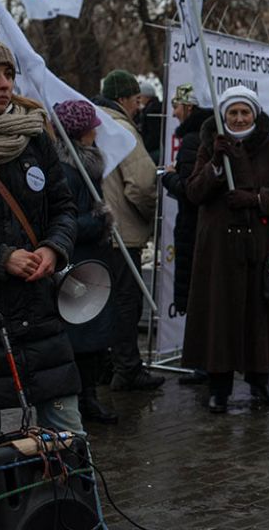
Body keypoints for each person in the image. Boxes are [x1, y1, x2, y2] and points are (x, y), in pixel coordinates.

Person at [0, 37, 83, 449]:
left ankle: (74, 496)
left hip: (39, 312)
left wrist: (53, 248)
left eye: (8, 73)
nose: (4, 83)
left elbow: (64, 207)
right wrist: (0, 258)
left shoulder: (34, 134)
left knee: (68, 437)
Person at [183, 86, 269, 413]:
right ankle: (219, 386)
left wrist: (256, 199)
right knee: (220, 315)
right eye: (232, 113)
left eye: (244, 112)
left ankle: (259, 380)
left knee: (257, 316)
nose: (238, 118)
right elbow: (193, 192)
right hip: (218, 249)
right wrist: (216, 166)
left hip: (257, 247)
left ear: (254, 114)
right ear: (223, 116)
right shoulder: (210, 145)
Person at [95, 69, 163, 391]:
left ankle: (104, 366)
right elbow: (142, 184)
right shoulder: (121, 129)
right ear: (122, 99)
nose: (139, 106)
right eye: (136, 99)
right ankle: (128, 369)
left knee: (102, 303)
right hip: (121, 233)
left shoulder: (90, 125)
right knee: (126, 303)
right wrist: (151, 217)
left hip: (95, 231)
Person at [52, 99, 118, 425]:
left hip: (89, 262)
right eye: (92, 127)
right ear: (81, 132)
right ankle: (81, 401)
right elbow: (65, 223)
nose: (97, 131)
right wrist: (100, 220)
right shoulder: (68, 172)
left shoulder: (82, 166)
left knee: (90, 336)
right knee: (80, 336)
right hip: (77, 266)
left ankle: (87, 397)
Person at [160, 84, 214, 386]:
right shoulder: (204, 136)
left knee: (199, 298)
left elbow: (191, 190)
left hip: (194, 230)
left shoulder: (193, 140)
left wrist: (168, 177)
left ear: (189, 108)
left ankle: (204, 365)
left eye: (177, 106)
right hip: (200, 229)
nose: (174, 112)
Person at [136, 80, 163, 164]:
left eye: (140, 97)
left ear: (146, 96)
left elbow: (153, 135)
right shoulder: (154, 108)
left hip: (153, 150)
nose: (139, 100)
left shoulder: (151, 111)